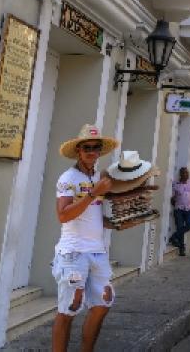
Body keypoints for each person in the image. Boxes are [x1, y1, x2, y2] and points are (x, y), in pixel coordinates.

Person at [52, 124, 117, 352]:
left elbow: (93, 214)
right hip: (73, 252)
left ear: (100, 151)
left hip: (97, 252)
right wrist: (93, 193)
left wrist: (116, 222)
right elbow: (63, 215)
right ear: (78, 151)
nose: (91, 152)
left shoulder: (98, 177)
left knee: (103, 303)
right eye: (86, 147)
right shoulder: (68, 178)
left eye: (95, 147)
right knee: (69, 308)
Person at [168, 166, 190, 256]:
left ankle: (174, 236)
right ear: (180, 174)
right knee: (180, 227)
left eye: (187, 173)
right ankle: (182, 248)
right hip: (179, 210)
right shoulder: (176, 184)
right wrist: (177, 203)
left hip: (189, 209)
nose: (186, 174)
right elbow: (172, 198)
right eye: (184, 173)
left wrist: (189, 202)